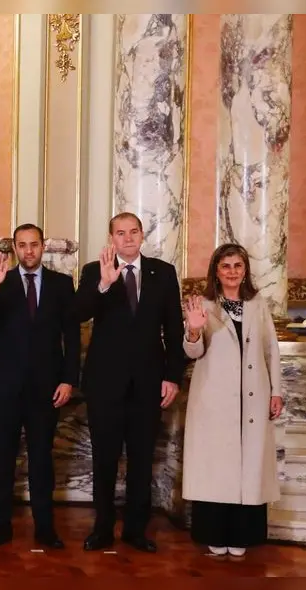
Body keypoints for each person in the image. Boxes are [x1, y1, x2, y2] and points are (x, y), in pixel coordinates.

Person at [74, 212, 185, 553]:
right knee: (104, 460)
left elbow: (175, 329)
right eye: (120, 233)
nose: (127, 238)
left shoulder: (163, 273)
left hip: (148, 383)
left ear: (142, 235)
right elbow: (77, 313)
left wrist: (172, 377)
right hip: (105, 384)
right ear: (111, 238)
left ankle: (136, 530)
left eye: (133, 232)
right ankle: (103, 527)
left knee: (141, 460)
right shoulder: (95, 270)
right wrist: (105, 284)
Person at [0, 224, 80, 548]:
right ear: (14, 247)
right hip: (5, 388)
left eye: (34, 245)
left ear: (43, 246)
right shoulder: (1, 283)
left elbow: (73, 336)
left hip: (46, 388)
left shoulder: (62, 284)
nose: (28, 251)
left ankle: (45, 527)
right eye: (22, 245)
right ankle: (1, 524)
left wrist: (69, 379)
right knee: (2, 457)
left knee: (41, 458)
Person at [182, 243, 283, 557]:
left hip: (253, 398)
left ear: (245, 270)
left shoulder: (258, 305)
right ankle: (215, 532)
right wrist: (194, 331)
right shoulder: (204, 305)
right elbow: (192, 352)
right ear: (216, 270)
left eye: (237, 266)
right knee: (217, 467)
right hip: (214, 400)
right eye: (225, 266)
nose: (232, 272)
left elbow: (271, 351)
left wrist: (277, 391)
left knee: (249, 466)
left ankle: (243, 535)